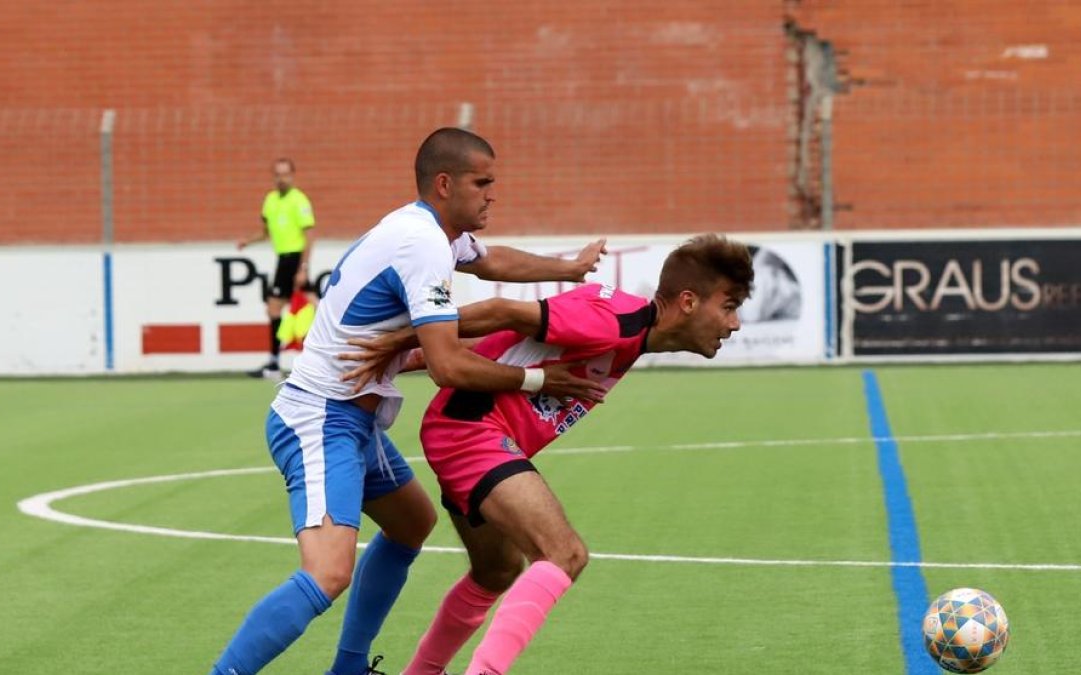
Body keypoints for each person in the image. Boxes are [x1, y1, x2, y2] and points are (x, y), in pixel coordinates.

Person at [209, 127, 610, 675]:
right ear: (445, 184)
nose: (493, 193)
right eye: (482, 182)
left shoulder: (429, 231)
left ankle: (349, 668)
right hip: (320, 417)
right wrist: (541, 381)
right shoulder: (421, 244)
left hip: (355, 421)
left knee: (411, 524)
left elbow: (493, 262)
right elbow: (447, 365)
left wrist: (567, 269)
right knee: (328, 573)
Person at [343, 234, 755, 675]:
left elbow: (510, 337)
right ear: (689, 302)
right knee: (565, 553)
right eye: (728, 307)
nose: (734, 324)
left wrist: (415, 355)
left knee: (496, 572)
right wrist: (399, 342)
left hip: (467, 433)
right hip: (469, 433)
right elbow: (503, 312)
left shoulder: (627, 328)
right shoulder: (614, 320)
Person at [237, 158, 318, 379]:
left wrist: (303, 267)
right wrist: (248, 241)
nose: (281, 179)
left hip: (294, 259)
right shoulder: (270, 200)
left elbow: (309, 235)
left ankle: (275, 364)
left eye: (285, 174)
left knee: (277, 309)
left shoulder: (299, 200)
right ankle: (279, 363)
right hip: (283, 259)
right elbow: (265, 233)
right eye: (278, 175)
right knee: (314, 307)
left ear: (292, 175)